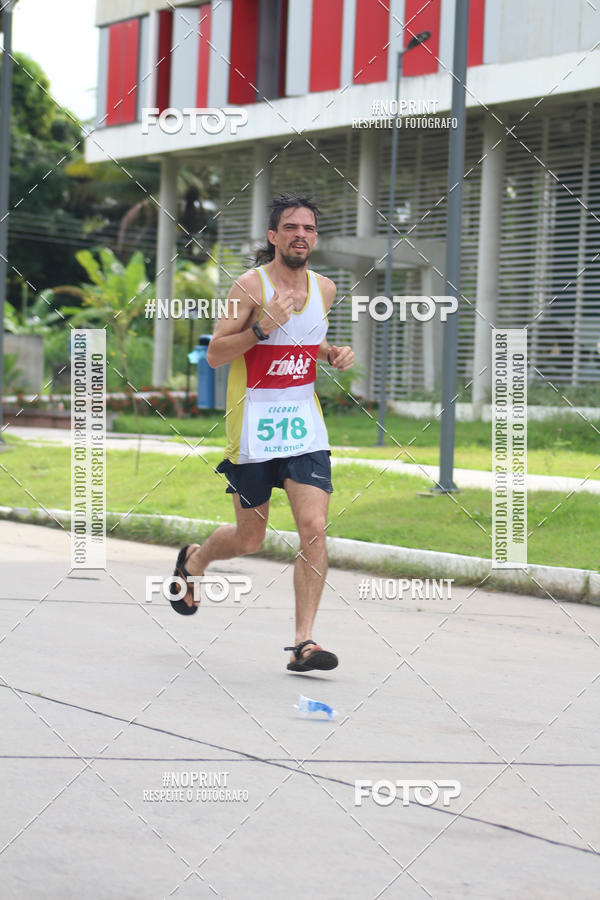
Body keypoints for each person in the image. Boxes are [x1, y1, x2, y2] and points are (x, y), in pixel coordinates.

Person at [169, 194, 354, 673]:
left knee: (313, 529)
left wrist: (329, 353)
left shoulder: (326, 288)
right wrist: (261, 329)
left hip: (304, 427)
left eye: (308, 228)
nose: (300, 235)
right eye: (290, 227)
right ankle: (194, 561)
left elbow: (305, 339)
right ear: (273, 237)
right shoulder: (248, 287)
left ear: (315, 237)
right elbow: (215, 355)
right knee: (250, 538)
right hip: (253, 427)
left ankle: (304, 643)